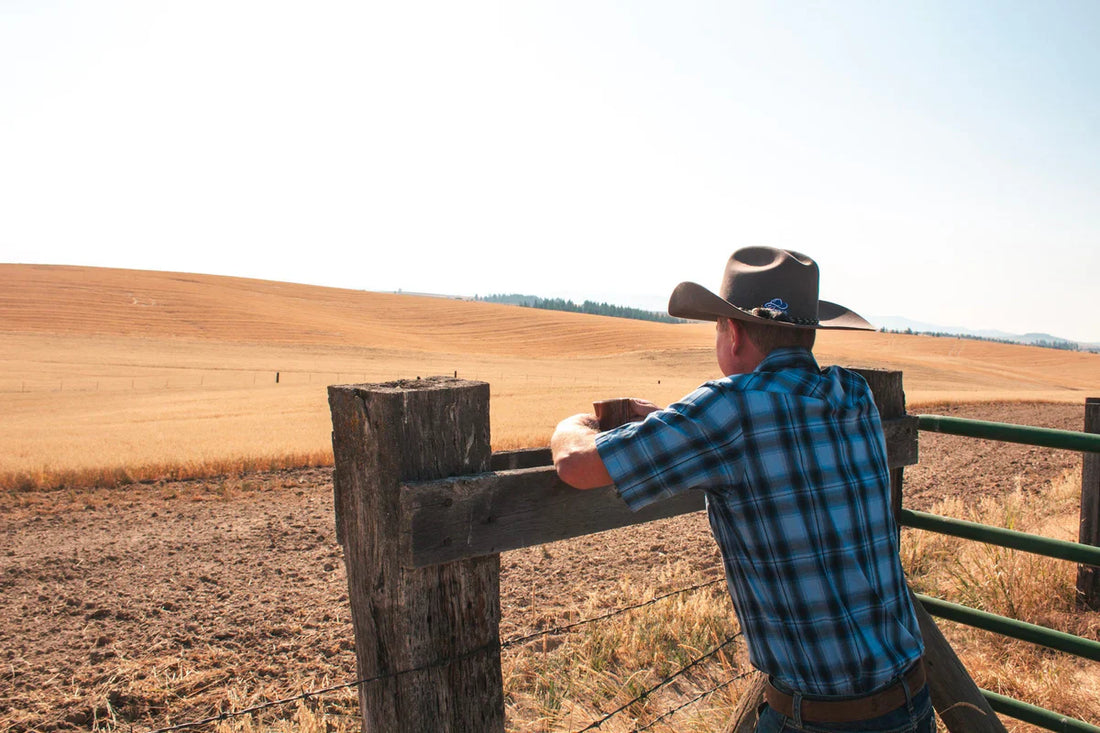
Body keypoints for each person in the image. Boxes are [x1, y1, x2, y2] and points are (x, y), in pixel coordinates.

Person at [550, 247, 931, 732]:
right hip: (912, 703)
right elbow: (775, 426)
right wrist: (677, 423)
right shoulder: (853, 394)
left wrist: (577, 422)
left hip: (820, 721)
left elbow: (575, 465)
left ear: (733, 333)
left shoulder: (729, 411)